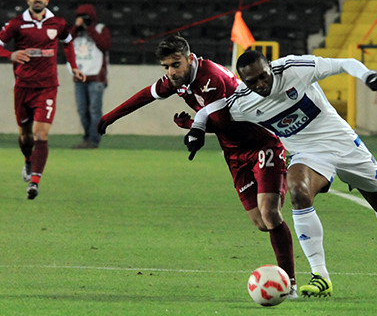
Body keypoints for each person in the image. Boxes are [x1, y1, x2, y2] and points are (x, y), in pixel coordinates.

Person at [188, 51, 377, 297]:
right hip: (306, 154)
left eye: (263, 77)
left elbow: (345, 63)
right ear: (244, 81)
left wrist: (368, 76)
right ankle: (321, 276)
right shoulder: (244, 100)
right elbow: (211, 111)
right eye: (252, 82)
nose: (260, 85)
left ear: (270, 68)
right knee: (298, 192)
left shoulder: (294, 68)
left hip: (343, 143)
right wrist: (197, 128)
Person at [96, 35, 298, 297]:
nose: (171, 72)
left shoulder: (210, 77)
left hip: (262, 142)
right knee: (261, 222)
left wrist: (196, 127)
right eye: (166, 67)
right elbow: (147, 95)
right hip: (234, 153)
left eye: (176, 64)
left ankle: (289, 284)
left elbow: (222, 120)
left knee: (270, 213)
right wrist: (110, 117)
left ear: (190, 59)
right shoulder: (177, 80)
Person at [0, 0, 86, 199]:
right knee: (25, 137)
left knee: (41, 134)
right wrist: (11, 54)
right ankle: (27, 160)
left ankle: (34, 182)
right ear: (28, 0)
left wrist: (74, 67)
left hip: (48, 87)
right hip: (23, 87)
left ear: (47, 0)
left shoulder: (58, 23)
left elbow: (68, 42)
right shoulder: (16, 24)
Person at [70, 4, 112, 149]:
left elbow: (105, 45)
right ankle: (87, 137)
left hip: (96, 77)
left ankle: (93, 140)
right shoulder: (76, 32)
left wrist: (90, 28)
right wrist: (77, 27)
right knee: (82, 110)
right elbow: (66, 42)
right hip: (79, 77)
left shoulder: (100, 29)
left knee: (95, 110)